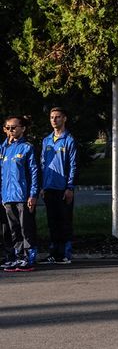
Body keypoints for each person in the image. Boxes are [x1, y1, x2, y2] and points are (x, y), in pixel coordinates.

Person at [2, 115, 41, 271]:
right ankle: (18, 257)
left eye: (14, 127)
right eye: (8, 128)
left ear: (23, 129)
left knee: (26, 228)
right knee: (14, 229)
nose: (10, 130)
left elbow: (34, 172)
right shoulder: (5, 149)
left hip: (23, 196)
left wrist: (33, 194)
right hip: (7, 196)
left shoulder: (27, 148)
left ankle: (29, 257)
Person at [41, 106, 79, 264]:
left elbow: (73, 165)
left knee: (64, 222)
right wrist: (42, 186)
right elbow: (43, 164)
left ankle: (65, 254)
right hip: (49, 188)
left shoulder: (69, 140)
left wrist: (70, 187)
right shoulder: (46, 140)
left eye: (57, 117)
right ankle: (54, 253)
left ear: (64, 119)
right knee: (52, 222)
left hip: (63, 188)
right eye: (52, 117)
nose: (54, 120)